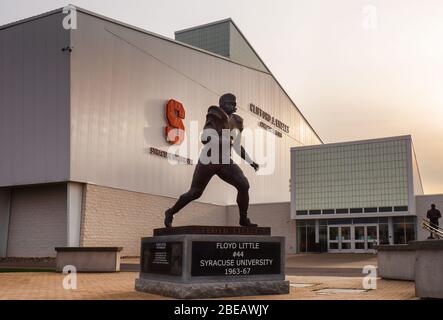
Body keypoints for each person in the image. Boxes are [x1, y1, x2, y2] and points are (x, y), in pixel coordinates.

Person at [164, 93, 260, 228]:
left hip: (225, 160)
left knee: (244, 185)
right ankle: (171, 212)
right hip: (209, 158)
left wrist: (251, 161)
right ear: (222, 105)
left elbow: (236, 145)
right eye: (230, 103)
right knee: (195, 192)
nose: (234, 106)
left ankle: (243, 219)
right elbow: (205, 137)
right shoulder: (215, 115)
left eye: (234, 103)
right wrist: (223, 140)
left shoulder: (236, 121)